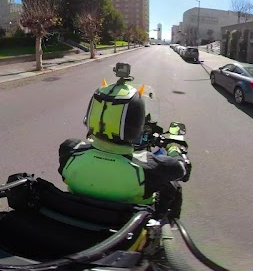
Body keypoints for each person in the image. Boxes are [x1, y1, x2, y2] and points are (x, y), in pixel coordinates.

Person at [59, 65, 190, 218]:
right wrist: (174, 146)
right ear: (136, 124)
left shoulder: (70, 150)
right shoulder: (148, 167)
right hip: (129, 227)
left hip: (75, 216)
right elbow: (182, 169)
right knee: (173, 187)